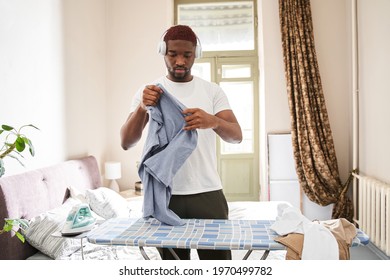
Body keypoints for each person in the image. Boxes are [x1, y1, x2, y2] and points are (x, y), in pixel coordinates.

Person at [120, 25, 242, 260]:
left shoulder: (212, 91)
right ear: (163, 52)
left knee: (218, 265)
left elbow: (236, 136)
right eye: (173, 54)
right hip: (166, 195)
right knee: (174, 267)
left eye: (187, 55)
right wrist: (142, 108)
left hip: (208, 193)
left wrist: (213, 121)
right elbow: (126, 142)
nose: (180, 61)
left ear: (195, 54)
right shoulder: (150, 92)